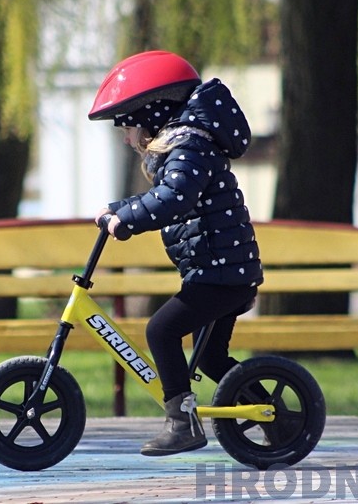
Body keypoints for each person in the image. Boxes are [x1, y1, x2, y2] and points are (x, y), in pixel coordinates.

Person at [88, 50, 264, 456]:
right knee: (212, 360)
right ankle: (277, 417)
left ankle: (182, 425)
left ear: (152, 114)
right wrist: (119, 208)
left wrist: (128, 221)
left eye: (127, 126)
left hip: (220, 274)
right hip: (221, 272)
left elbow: (174, 199)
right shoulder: (185, 148)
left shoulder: (189, 147)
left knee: (160, 331)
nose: (126, 138)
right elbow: (164, 194)